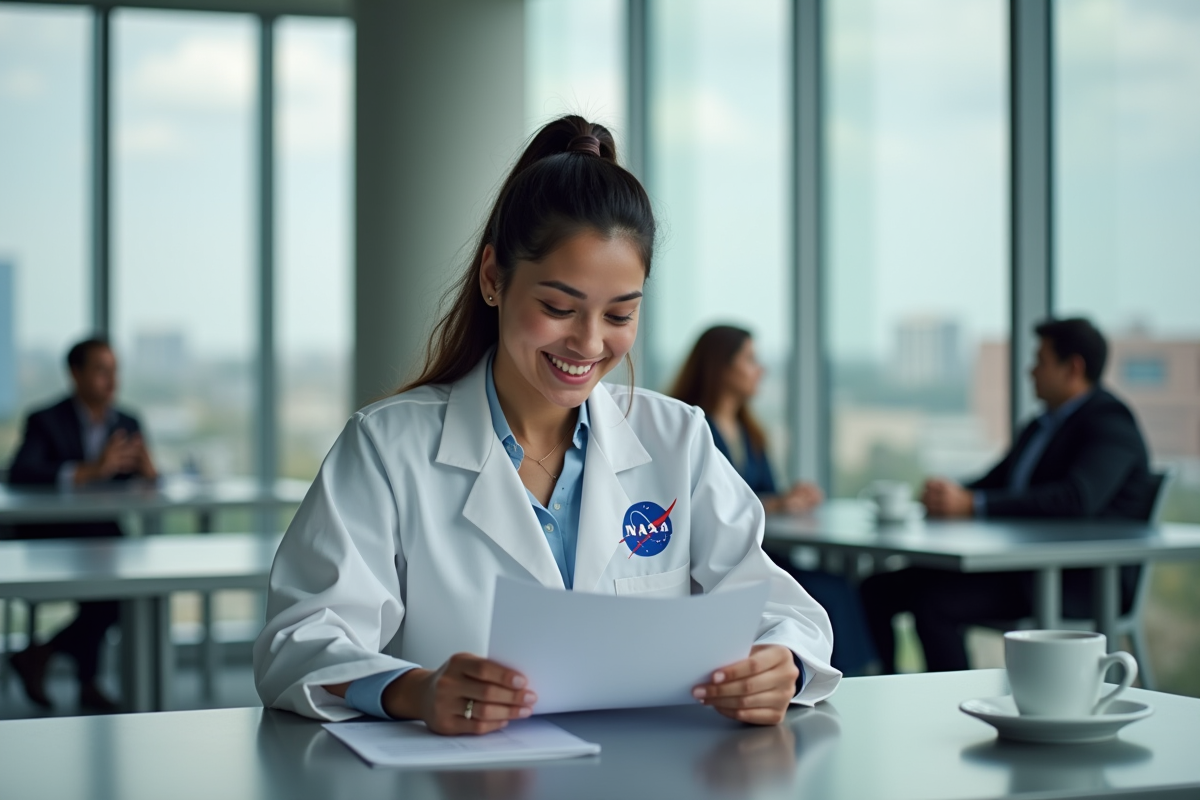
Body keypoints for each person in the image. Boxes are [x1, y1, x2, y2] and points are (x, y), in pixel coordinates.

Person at [253, 116, 839, 734]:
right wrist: (415, 691)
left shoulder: (677, 439)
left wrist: (783, 667)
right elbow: (300, 640)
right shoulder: (386, 447)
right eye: (558, 308)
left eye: (619, 313)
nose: (588, 343)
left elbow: (782, 611)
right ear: (492, 279)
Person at [860, 318, 1159, 673]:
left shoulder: (1110, 422)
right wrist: (954, 495)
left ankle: (950, 712)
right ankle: (884, 688)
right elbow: (1000, 480)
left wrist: (973, 505)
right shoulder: (1041, 425)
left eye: (1040, 361)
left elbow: (1076, 498)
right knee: (876, 589)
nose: (1030, 371)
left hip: (1075, 581)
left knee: (932, 602)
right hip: (1020, 567)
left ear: (1073, 368)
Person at [670, 325, 876, 674]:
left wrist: (790, 498)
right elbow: (709, 508)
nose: (760, 369)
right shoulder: (687, 430)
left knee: (837, 587)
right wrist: (777, 505)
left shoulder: (749, 432)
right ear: (720, 366)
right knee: (835, 591)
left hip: (766, 555)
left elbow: (760, 494)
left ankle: (857, 672)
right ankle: (852, 676)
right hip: (722, 566)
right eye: (750, 359)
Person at [7, 337, 158, 711]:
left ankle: (42, 654)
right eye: (101, 370)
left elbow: (141, 481)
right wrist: (89, 471)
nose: (111, 381)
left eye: (115, 370)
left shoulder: (126, 422)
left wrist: (151, 474)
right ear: (75, 374)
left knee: (120, 590)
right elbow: (20, 473)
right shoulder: (44, 420)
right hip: (50, 534)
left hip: (103, 533)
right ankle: (84, 680)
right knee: (113, 593)